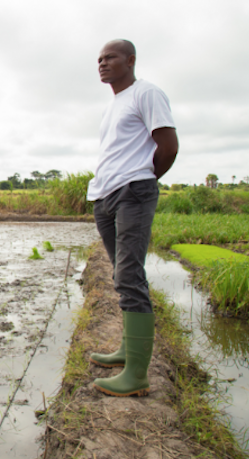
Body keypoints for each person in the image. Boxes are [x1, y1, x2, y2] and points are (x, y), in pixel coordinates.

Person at [87, 39, 179, 397]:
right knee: (120, 272)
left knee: (129, 274)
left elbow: (168, 147)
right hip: (106, 196)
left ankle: (137, 374)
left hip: (132, 192)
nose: (102, 63)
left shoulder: (147, 93)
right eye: (99, 59)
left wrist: (141, 180)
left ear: (130, 60)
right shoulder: (114, 105)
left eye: (110, 57)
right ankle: (128, 349)